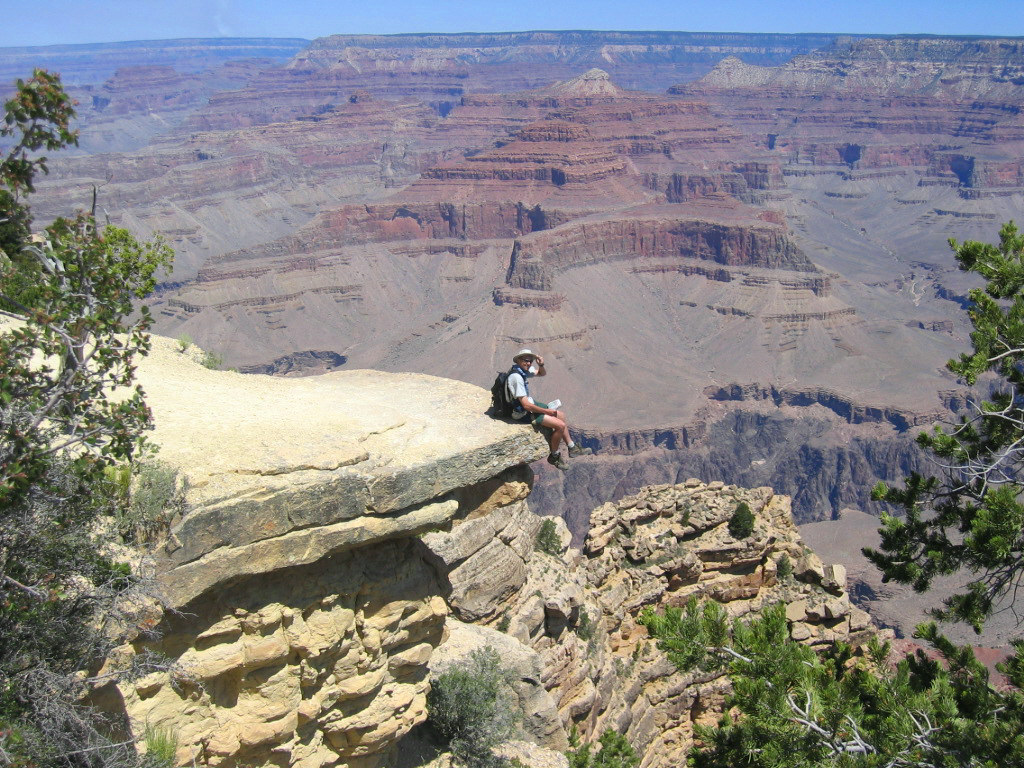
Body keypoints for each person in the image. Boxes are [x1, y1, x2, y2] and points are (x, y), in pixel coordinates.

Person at [506, 348, 592, 470]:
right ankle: (554, 456)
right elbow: (526, 406)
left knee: (560, 415)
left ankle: (572, 448)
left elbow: (542, 373)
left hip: (528, 404)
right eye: (526, 360)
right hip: (523, 413)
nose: (529, 363)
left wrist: (541, 364)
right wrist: (546, 412)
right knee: (560, 426)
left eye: (531, 361)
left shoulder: (522, 370)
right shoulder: (516, 378)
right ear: (519, 360)